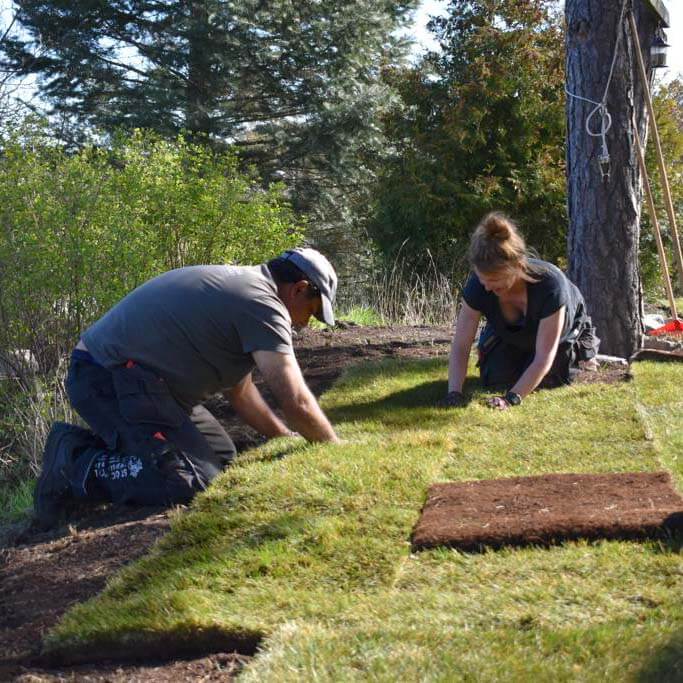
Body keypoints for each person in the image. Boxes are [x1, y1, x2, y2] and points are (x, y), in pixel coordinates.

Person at [34, 247, 340, 527]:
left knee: (221, 460)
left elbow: (242, 393)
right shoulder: (262, 303)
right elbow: (295, 400)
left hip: (148, 386)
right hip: (104, 376)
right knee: (192, 481)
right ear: (299, 289)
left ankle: (132, 450)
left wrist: (284, 436)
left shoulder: (249, 292)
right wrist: (333, 449)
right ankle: (74, 462)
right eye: (312, 312)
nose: (307, 325)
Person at [441, 212, 599, 410]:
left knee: (549, 378)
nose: (488, 288)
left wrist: (511, 398)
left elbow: (543, 356)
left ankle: (585, 357)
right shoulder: (478, 287)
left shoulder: (551, 287)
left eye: (495, 280)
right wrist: (454, 393)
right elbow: (461, 346)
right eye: (483, 280)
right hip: (513, 334)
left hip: (560, 333)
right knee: (496, 378)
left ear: (516, 267)